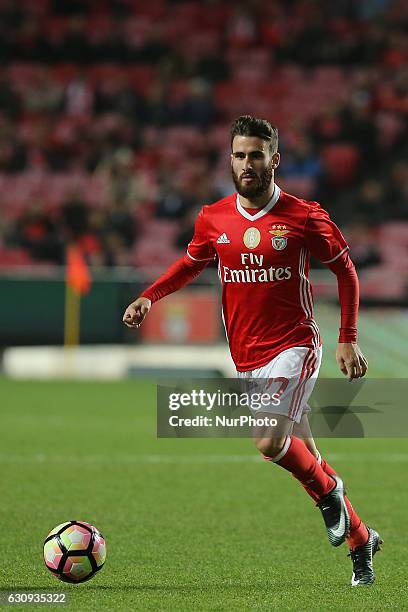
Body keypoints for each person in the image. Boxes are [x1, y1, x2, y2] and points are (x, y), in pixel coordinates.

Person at [123, 115, 382, 586]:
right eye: (240, 155)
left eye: (256, 155)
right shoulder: (213, 217)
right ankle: (361, 539)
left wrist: (347, 336)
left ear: (275, 160)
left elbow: (346, 272)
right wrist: (149, 296)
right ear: (230, 159)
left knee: (268, 440)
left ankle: (332, 495)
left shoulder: (305, 216)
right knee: (302, 457)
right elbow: (189, 264)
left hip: (295, 345)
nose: (247, 163)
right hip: (246, 356)